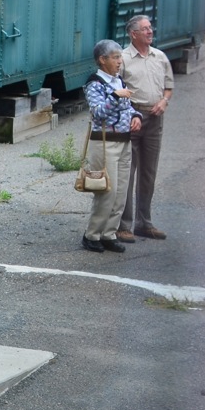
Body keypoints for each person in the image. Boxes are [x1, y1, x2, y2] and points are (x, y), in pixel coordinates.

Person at [82, 40, 143, 253]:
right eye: (116, 57)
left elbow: (128, 107)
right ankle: (92, 234)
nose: (120, 61)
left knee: (121, 192)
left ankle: (109, 233)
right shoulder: (94, 83)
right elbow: (98, 113)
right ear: (102, 59)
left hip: (125, 140)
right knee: (107, 190)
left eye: (120, 57)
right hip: (105, 142)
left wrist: (136, 115)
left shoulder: (119, 80)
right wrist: (116, 97)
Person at [118, 15, 173, 242]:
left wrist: (164, 101)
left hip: (154, 117)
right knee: (127, 173)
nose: (150, 32)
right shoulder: (122, 58)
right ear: (134, 34)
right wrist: (129, 113)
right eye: (145, 29)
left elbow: (168, 86)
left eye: (150, 28)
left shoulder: (159, 57)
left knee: (148, 173)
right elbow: (115, 90)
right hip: (132, 119)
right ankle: (124, 226)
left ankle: (144, 223)